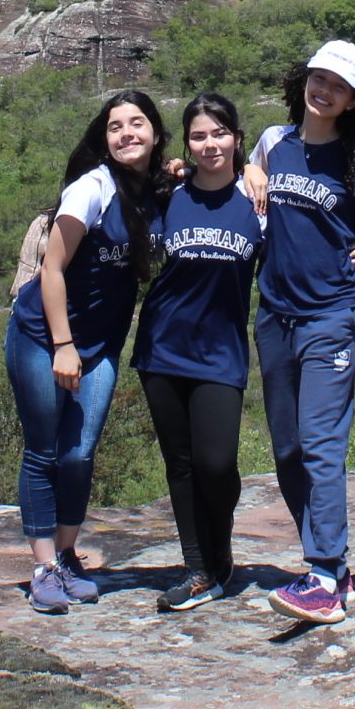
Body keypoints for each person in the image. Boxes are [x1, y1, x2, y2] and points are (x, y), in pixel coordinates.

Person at [5, 90, 166, 614]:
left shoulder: (153, 191)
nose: (126, 134)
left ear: (155, 134)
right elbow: (51, 269)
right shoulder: (90, 189)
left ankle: (68, 554)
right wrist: (63, 346)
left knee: (79, 454)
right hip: (42, 337)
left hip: (99, 345)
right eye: (115, 127)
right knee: (45, 450)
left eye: (137, 123)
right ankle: (44, 567)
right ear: (104, 139)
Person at [252, 39, 355, 625]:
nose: (323, 90)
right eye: (318, 78)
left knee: (321, 444)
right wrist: (243, 171)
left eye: (337, 85)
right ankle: (334, 570)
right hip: (273, 315)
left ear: (352, 98)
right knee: (286, 449)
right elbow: (237, 181)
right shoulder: (271, 143)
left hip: (330, 316)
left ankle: (324, 573)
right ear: (303, 80)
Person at [134, 92, 265, 612]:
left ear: (236, 137)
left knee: (216, 462)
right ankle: (198, 570)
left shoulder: (259, 202)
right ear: (186, 143)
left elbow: (299, 253)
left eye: (219, 133)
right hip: (163, 347)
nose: (209, 144)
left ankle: (221, 548)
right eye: (198, 136)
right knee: (181, 464)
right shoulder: (171, 193)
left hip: (221, 353)